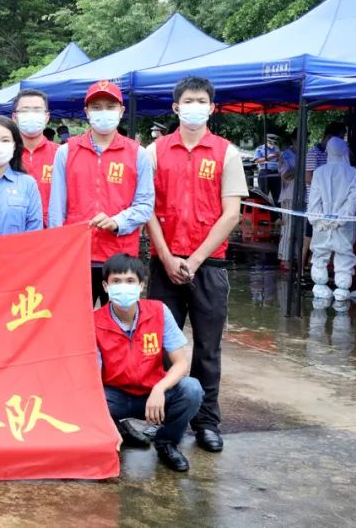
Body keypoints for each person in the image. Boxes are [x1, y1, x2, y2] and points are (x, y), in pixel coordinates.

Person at [145, 76, 248, 454]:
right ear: (176, 107)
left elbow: (231, 213)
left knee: (207, 348)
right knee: (159, 347)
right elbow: (147, 208)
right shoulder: (154, 152)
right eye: (188, 101)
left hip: (209, 265)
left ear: (212, 107)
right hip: (164, 263)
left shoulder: (226, 153)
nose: (194, 107)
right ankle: (163, 420)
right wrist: (167, 256)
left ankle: (206, 422)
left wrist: (195, 259)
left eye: (201, 101)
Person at [49, 81, 153, 307]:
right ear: (86, 112)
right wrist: (58, 253)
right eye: (96, 107)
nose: (103, 112)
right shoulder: (66, 152)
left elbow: (145, 206)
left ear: (121, 111)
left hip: (120, 259)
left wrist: (118, 221)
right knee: (75, 321)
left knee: (117, 322)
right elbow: (56, 210)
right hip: (77, 256)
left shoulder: (138, 154)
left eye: (110, 106)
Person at [95, 254, 202, 473]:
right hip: (114, 396)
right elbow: (93, 377)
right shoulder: (94, 322)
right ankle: (114, 432)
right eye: (116, 281)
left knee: (192, 389)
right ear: (106, 286)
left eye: (130, 281)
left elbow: (181, 364)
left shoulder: (159, 311)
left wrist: (159, 389)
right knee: (87, 399)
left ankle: (167, 443)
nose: (123, 287)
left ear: (141, 285)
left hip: (153, 394)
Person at [307, 137, 356, 302]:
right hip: (344, 227)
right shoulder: (353, 173)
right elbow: (353, 202)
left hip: (321, 226)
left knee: (319, 256)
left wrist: (321, 220)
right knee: (344, 256)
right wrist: (339, 220)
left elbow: (314, 201)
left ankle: (320, 288)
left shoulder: (319, 172)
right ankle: (342, 291)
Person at [12, 89, 59, 226]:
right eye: (25, 110)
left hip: (51, 231)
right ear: (15, 117)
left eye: (37, 110)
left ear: (47, 117)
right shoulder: (5, 155)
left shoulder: (61, 154)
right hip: (13, 230)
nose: (31, 115)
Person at [304, 121, 347, 258]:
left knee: (328, 238)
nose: (341, 142)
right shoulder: (313, 154)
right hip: (316, 203)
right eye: (339, 138)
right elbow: (308, 178)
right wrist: (326, 188)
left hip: (330, 204)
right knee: (309, 238)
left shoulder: (333, 156)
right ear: (329, 137)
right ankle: (301, 265)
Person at [276, 135, 297, 264]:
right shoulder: (286, 156)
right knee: (288, 228)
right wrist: (299, 169)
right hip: (288, 196)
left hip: (301, 195)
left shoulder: (304, 154)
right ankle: (284, 258)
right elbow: (285, 176)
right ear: (293, 140)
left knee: (299, 229)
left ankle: (294, 256)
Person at [254, 134, 281, 202]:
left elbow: (279, 160)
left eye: (274, 142)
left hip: (275, 173)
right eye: (271, 142)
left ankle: (277, 209)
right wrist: (268, 157)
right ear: (267, 141)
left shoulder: (277, 148)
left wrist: (279, 157)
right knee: (264, 196)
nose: (273, 144)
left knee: (277, 196)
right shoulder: (260, 148)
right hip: (265, 172)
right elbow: (257, 161)